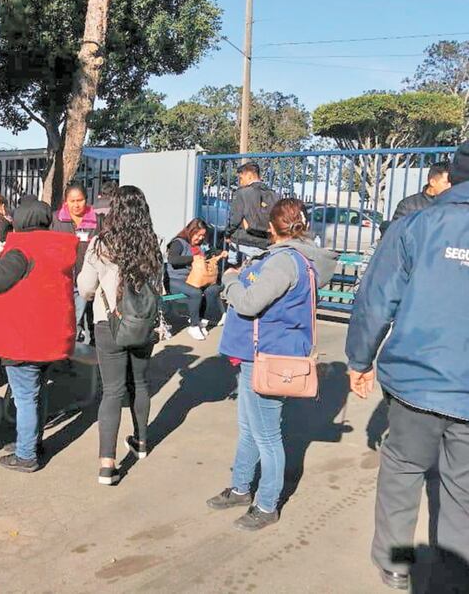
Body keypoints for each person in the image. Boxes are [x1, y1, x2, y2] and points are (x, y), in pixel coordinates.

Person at [345, 142, 469, 591]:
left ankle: (397, 564)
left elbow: (376, 300)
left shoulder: (417, 225)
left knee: (402, 471)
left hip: (416, 383)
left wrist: (359, 360)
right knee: (462, 489)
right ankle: (455, 573)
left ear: (451, 176)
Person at [208, 198, 336, 531]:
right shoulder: (298, 259)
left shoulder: (284, 262)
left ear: (273, 226)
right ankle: (240, 487)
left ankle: (266, 505)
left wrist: (232, 279)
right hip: (263, 354)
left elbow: (250, 303)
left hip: (267, 357)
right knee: (251, 429)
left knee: (266, 435)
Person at [0, 198, 78, 473]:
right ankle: (32, 442)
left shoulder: (21, 249)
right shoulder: (59, 246)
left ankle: (26, 455)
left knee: (25, 398)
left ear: (19, 220)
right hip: (51, 335)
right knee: (37, 393)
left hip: (23, 337)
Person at [78, 186, 163, 485]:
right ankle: (140, 442)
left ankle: (107, 465)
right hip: (142, 324)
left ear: (115, 211)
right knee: (140, 382)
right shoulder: (153, 244)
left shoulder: (101, 244)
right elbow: (159, 287)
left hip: (108, 323)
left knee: (112, 391)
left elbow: (86, 287)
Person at [52, 182, 100, 344]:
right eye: (72, 201)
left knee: (83, 316)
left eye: (79, 200)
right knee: (68, 318)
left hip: (86, 277)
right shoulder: (56, 220)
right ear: (66, 202)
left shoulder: (97, 221)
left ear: (86, 200)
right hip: (62, 277)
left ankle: (83, 348)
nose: (76, 205)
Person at [165, 218, 226, 341]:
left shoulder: (198, 246)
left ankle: (200, 320)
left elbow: (206, 255)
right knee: (196, 292)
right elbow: (172, 260)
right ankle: (193, 326)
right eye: (198, 235)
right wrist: (193, 258)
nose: (200, 238)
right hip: (175, 280)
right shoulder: (178, 242)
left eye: (203, 236)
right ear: (191, 231)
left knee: (212, 289)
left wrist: (219, 253)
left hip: (192, 279)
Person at [226, 162, 280, 260]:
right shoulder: (274, 195)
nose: (240, 182)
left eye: (241, 178)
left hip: (244, 241)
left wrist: (227, 234)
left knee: (234, 270)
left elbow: (234, 220)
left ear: (250, 176)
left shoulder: (242, 193)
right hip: (266, 243)